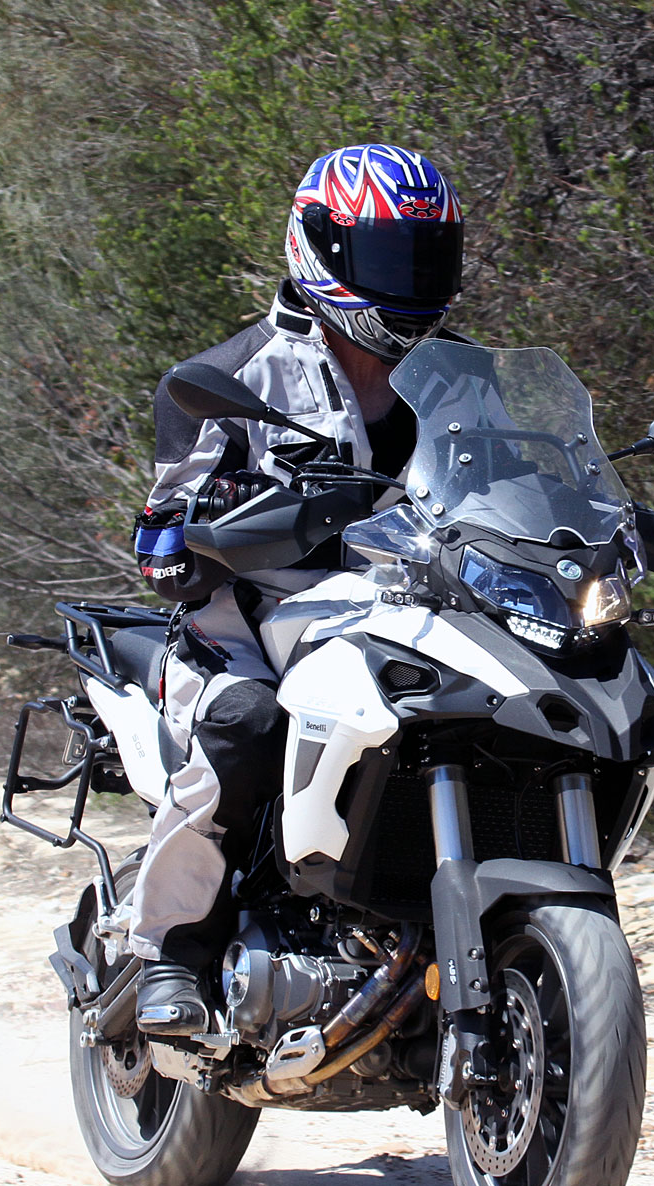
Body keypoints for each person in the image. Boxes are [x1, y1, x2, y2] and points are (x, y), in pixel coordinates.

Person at [125, 143, 466, 1033]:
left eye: (426, 259)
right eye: (390, 258)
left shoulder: (460, 381)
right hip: (249, 628)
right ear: (320, 248)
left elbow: (525, 478)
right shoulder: (232, 378)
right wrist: (233, 527)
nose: (411, 281)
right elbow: (158, 546)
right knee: (245, 726)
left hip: (408, 620)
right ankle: (173, 950)